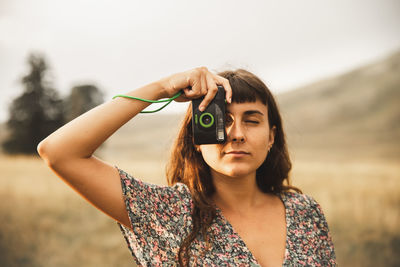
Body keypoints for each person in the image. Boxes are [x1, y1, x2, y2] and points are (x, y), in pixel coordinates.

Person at [37, 67, 336, 266]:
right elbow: (59, 152)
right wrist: (162, 87)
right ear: (197, 137)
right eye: (220, 120)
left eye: (252, 120)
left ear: (272, 136)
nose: (237, 133)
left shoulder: (305, 212)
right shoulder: (168, 213)